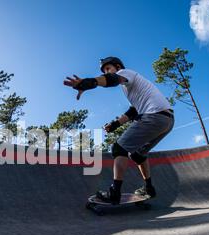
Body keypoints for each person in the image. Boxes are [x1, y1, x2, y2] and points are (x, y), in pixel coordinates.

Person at [63, 56, 175, 204]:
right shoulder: (131, 87)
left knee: (118, 148)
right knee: (138, 155)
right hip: (167, 120)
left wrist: (89, 82)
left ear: (117, 66)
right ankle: (149, 188)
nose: (107, 72)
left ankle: (114, 192)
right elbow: (134, 111)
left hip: (153, 116)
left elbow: (112, 79)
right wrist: (115, 124)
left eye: (108, 69)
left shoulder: (125, 73)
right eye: (105, 70)